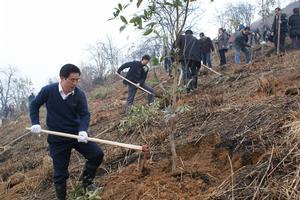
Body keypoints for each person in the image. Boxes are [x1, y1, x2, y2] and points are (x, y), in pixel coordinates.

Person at [29, 64, 104, 200]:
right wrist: (35, 122)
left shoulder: (79, 95)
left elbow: (85, 114)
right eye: (72, 80)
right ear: (62, 78)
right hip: (57, 138)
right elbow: (34, 104)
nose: (75, 83)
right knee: (60, 174)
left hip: (75, 134)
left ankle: (87, 183)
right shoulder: (48, 91)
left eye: (77, 80)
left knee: (97, 154)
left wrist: (82, 130)